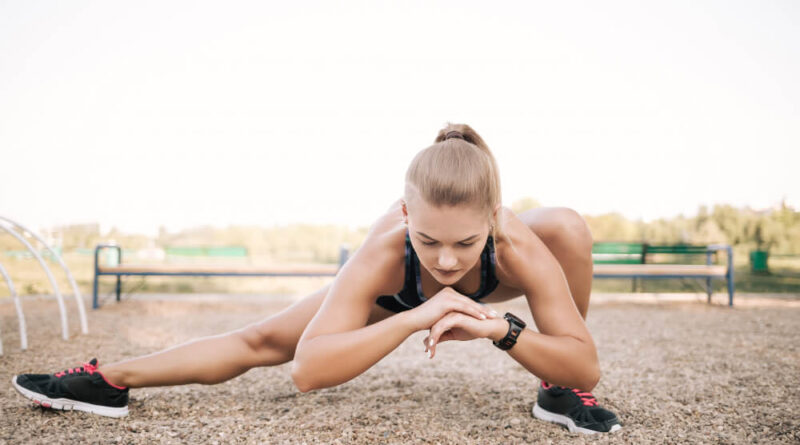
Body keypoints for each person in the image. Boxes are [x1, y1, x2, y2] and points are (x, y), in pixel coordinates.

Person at [12, 123, 621, 434]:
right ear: (405, 215)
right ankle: (108, 380)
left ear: (493, 218)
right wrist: (417, 315)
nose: (445, 261)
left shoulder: (517, 240)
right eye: (428, 240)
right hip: (397, 298)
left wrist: (501, 328)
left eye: (464, 242)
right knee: (265, 342)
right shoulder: (386, 249)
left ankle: (556, 391)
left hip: (499, 290)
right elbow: (307, 370)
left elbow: (586, 360)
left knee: (567, 227)